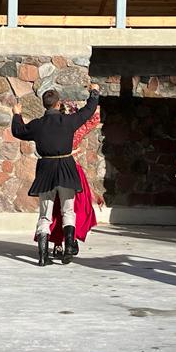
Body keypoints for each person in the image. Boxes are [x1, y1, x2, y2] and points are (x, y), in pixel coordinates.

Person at [11, 84, 100, 265]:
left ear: (44, 104)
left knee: (45, 214)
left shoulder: (37, 125)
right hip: (66, 168)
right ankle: (68, 249)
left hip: (46, 170)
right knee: (68, 211)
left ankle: (43, 256)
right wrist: (94, 91)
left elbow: (18, 131)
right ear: (58, 104)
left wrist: (16, 114)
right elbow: (89, 110)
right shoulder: (68, 121)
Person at [45, 101, 102, 259]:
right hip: (71, 170)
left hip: (52, 169)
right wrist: (82, 107)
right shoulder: (74, 128)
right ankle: (72, 240)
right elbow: (95, 117)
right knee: (74, 208)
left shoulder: (49, 127)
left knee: (55, 208)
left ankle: (57, 244)